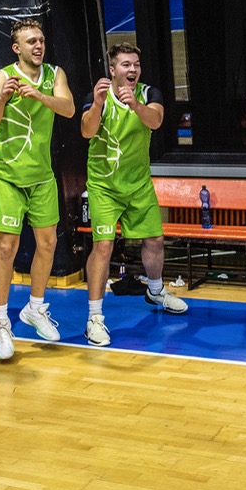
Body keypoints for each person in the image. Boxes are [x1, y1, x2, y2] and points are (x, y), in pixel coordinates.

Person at [80, 43, 188, 346]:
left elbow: (156, 121)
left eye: (136, 64)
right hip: (104, 186)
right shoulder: (97, 95)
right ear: (112, 69)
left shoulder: (149, 93)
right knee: (103, 246)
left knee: (154, 239)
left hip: (138, 183)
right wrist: (97, 104)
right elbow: (86, 131)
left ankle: (155, 291)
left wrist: (136, 106)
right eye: (126, 64)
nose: (133, 69)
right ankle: (94, 319)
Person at [0, 19, 75, 360]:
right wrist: (2, 99)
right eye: (31, 41)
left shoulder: (54, 74)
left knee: (48, 244)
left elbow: (69, 109)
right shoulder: (2, 77)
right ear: (16, 48)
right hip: (8, 174)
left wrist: (40, 95)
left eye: (41, 40)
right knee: (7, 248)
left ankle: (35, 308)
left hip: (41, 175)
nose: (38, 46)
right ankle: (1, 321)